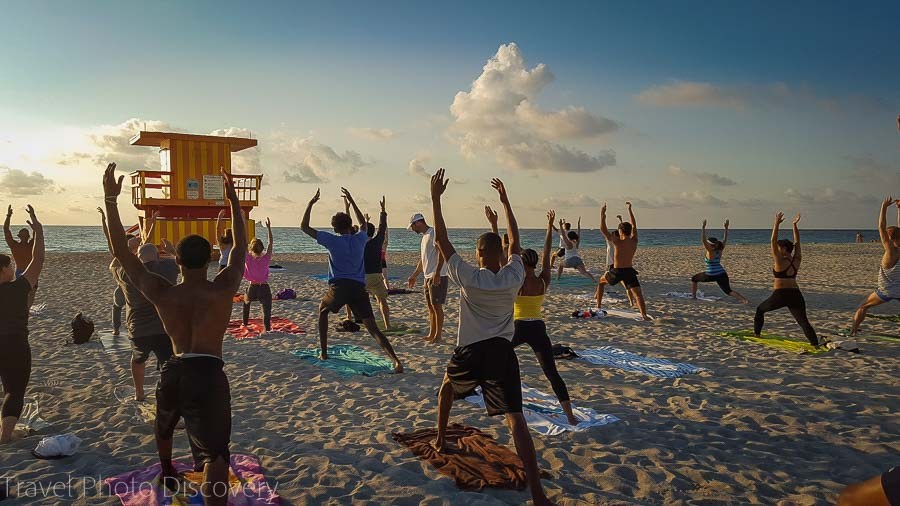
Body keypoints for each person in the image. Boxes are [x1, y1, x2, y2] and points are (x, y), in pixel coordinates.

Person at [103, 163, 246, 504]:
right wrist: (234, 202)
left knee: (165, 426)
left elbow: (122, 253)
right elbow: (240, 248)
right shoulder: (223, 287)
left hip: (175, 368)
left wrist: (110, 200)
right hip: (208, 372)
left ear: (176, 262)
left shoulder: (163, 292)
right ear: (211, 260)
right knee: (215, 454)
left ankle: (167, 470)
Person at [430, 169, 553, 505]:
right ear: (500, 255)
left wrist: (436, 199)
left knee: (446, 387)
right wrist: (506, 201)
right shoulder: (514, 274)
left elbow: (441, 240)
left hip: (469, 352)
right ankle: (539, 494)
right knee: (516, 419)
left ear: (478, 253)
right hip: (501, 353)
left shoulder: (469, 276)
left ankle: (440, 439)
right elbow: (514, 239)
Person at [301, 188, 403, 373]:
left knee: (322, 311)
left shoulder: (332, 240)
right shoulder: (360, 239)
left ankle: (323, 353)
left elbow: (304, 227)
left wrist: (310, 204)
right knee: (373, 328)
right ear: (349, 225)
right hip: (358, 288)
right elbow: (363, 223)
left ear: (335, 229)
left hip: (339, 287)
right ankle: (395, 360)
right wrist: (352, 200)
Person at [100, 208, 178, 402]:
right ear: (158, 257)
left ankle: (139, 393)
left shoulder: (126, 274)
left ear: (138, 258)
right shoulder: (168, 268)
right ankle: (166, 395)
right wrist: (172, 251)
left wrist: (127, 247)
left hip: (138, 328)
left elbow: (114, 264)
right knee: (167, 365)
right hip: (164, 327)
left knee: (138, 359)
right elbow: (183, 263)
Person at [510, 208, 578, 425]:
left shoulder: (516, 280)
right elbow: (548, 251)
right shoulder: (543, 280)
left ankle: (477, 385)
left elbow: (509, 249)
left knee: (492, 353)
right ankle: (570, 417)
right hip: (538, 328)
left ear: (521, 263)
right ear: (536, 263)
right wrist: (549, 228)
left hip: (518, 328)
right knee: (552, 373)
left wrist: (495, 226)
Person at [0, 205, 43, 444]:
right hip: (15, 343)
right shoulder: (17, 288)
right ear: (6, 270)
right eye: (9, 267)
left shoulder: (17, 286)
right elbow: (39, 259)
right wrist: (40, 230)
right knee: (14, 390)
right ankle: (5, 435)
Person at [754, 212, 822, 347]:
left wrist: (776, 224)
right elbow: (797, 243)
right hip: (796, 294)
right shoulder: (797, 260)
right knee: (803, 322)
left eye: (780, 248)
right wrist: (794, 225)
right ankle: (814, 344)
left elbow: (772, 241)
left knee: (760, 310)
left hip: (781, 295)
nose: (777, 250)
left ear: (784, 249)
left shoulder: (779, 261)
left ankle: (757, 334)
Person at [850, 198, 900, 337]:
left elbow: (881, 227)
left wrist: (884, 207)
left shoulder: (891, 251)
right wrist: (899, 209)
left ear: (889, 239)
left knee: (863, 306)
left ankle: (853, 330)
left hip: (887, 290)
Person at [597, 202, 649, 320]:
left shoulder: (618, 242)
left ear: (620, 231)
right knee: (638, 294)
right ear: (630, 231)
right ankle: (644, 315)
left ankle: (598, 306)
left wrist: (602, 214)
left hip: (617, 271)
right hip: (630, 271)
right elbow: (634, 225)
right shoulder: (634, 240)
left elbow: (602, 230)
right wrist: (630, 210)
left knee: (600, 282)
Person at [407, 212, 449, 343]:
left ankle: (438, 335)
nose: (413, 230)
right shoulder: (425, 237)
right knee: (431, 306)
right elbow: (423, 260)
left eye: (413, 226)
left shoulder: (432, 233)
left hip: (437, 275)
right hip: (427, 276)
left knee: (437, 306)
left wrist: (437, 272)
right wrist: (414, 275)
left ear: (418, 223)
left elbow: (442, 252)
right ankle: (432, 333)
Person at [690, 219, 749, 303]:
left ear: (710, 245)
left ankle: (694, 297)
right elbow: (725, 239)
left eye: (708, 244)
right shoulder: (720, 250)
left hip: (711, 274)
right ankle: (744, 300)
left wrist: (703, 228)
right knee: (728, 291)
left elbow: (703, 240)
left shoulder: (710, 252)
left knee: (694, 279)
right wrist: (726, 228)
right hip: (722, 273)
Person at [363, 198, 391, 330]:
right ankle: (387, 325)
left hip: (361, 277)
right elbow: (382, 227)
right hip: (376, 276)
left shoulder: (359, 243)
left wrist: (365, 221)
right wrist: (383, 211)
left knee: (358, 300)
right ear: (373, 233)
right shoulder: (377, 241)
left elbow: (359, 231)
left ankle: (350, 317)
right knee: (382, 301)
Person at [243, 218, 274, 332]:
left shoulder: (248, 258)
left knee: (246, 302)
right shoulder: (266, 257)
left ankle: (245, 323)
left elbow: (244, 240)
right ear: (262, 249)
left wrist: (243, 222)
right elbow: (270, 243)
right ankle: (267, 328)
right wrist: (269, 228)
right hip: (264, 287)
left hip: (252, 287)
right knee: (266, 310)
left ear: (251, 248)